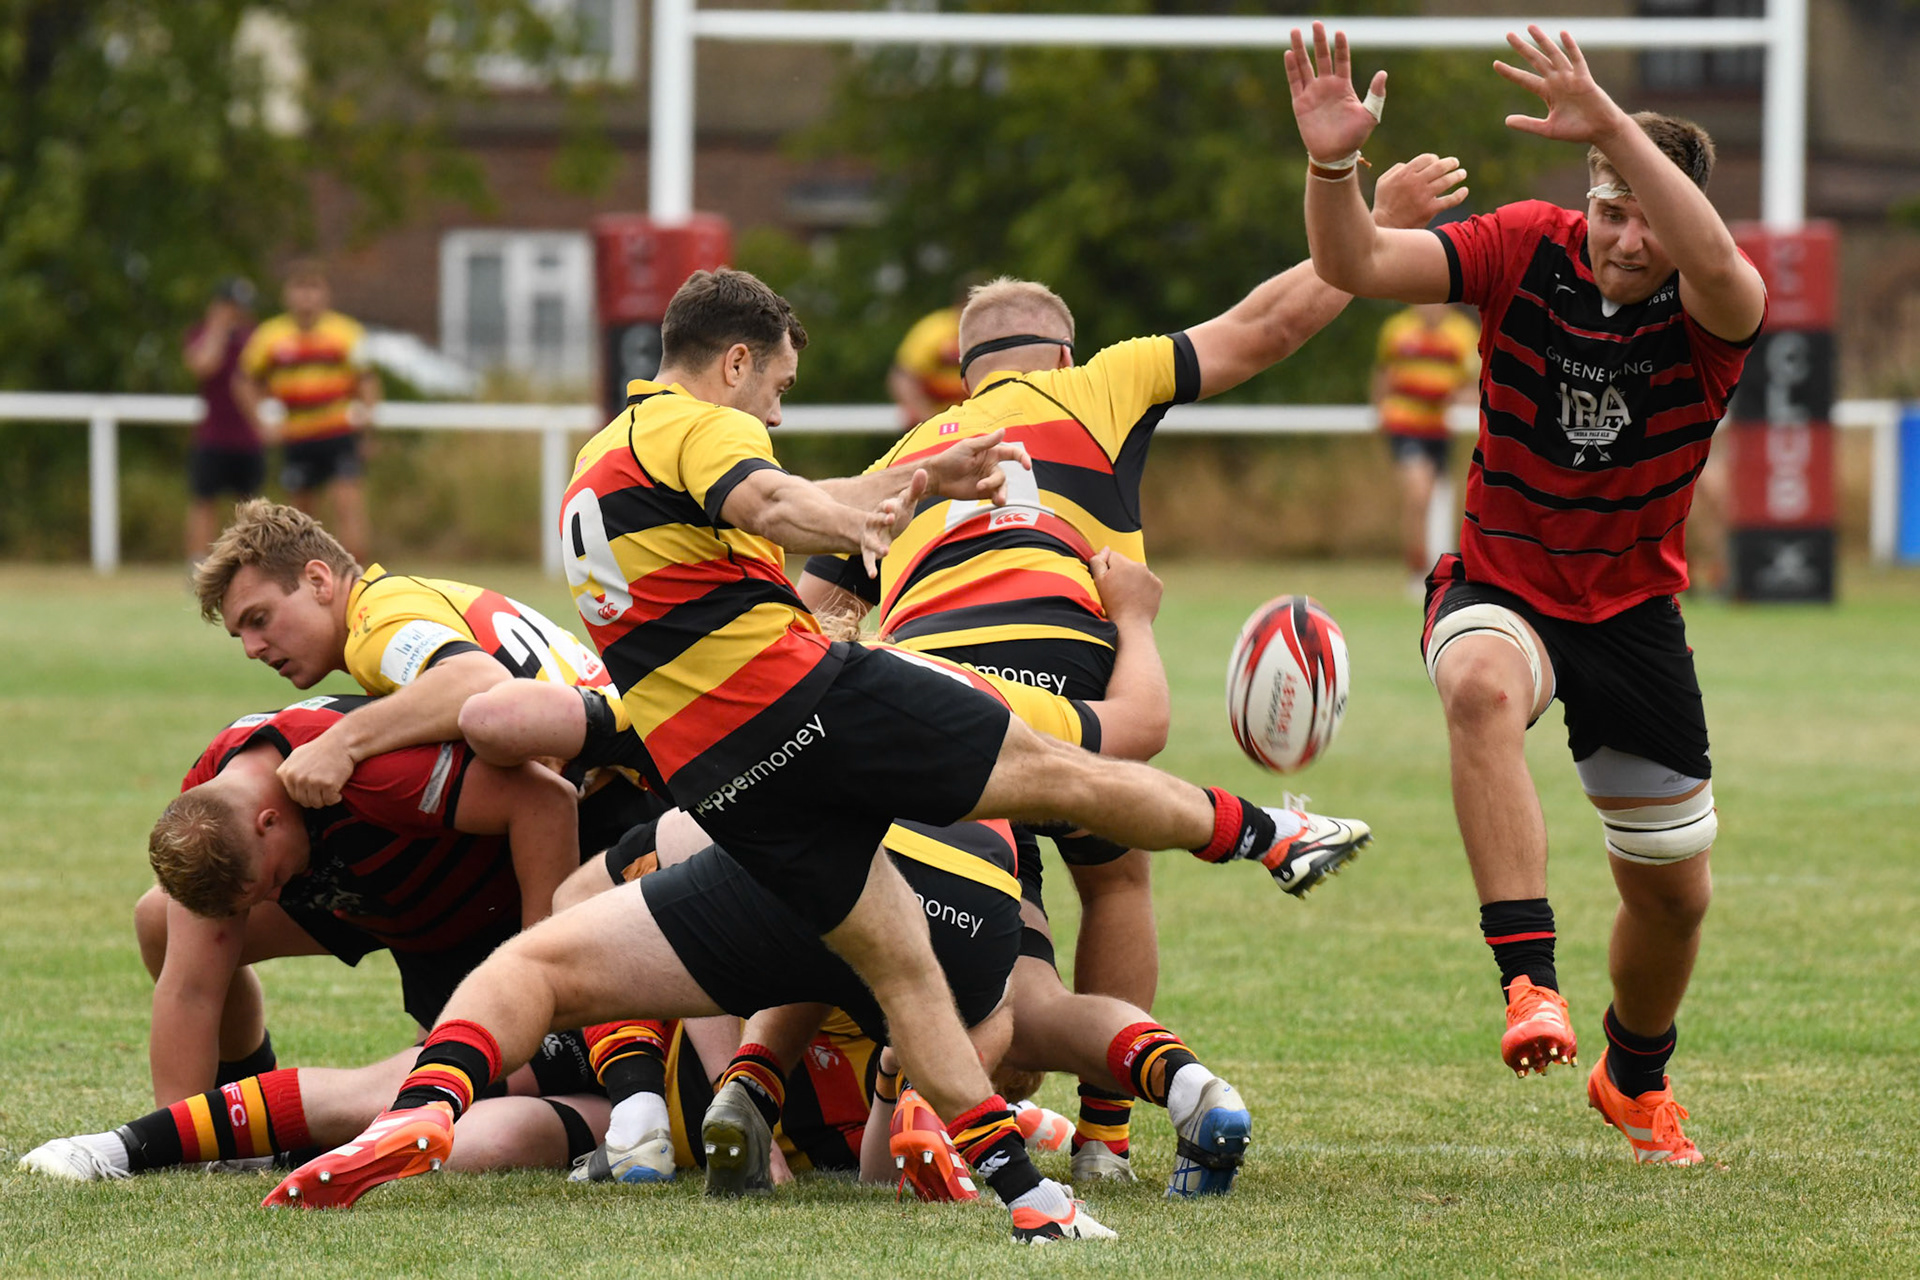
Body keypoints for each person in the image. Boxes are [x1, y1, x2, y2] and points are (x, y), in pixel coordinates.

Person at [262, 267, 1371, 1243]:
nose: (777, 407)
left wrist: (897, 497)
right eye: (779, 386)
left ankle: (422, 1112)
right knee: (1064, 774)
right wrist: (894, 496)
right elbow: (781, 500)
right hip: (819, 708)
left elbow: (766, 549)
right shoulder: (700, 425)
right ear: (736, 360)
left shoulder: (593, 470)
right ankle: (1273, 832)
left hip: (730, 782)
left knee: (580, 966)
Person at [798, 154, 1462, 1183]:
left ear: (963, 369)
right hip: (1077, 689)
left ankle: (888, 1093)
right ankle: (1106, 1134)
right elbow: (1269, 324)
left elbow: (817, 615)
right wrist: (1366, 230)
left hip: (934, 712)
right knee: (1116, 877)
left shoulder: (914, 452)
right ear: (1060, 349)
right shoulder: (1099, 382)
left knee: (979, 937)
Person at [1285, 23, 1765, 1164]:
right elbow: (1356, 266)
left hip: (1634, 610)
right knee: (1480, 689)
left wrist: (1608, 123)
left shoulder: (1714, 308)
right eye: (1608, 207)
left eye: (1646, 215)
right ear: (1582, 198)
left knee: (1673, 896)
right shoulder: (1524, 247)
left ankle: (1633, 1072)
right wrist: (1332, 169)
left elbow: (1714, 258)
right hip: (1501, 578)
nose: (1622, 237)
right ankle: (1528, 983)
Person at [136, 695, 580, 1107]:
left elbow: (545, 799)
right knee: (162, 919)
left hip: (474, 905)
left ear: (268, 822)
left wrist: (537, 968)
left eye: (269, 882)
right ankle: (242, 1089)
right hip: (371, 895)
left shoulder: (370, 775)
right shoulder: (210, 798)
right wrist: (175, 1135)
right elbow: (190, 989)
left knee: (447, 1097)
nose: (274, 898)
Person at [189, 499, 659, 850]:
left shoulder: (374, 627)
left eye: (259, 619)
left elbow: (478, 683)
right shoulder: (396, 598)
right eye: (240, 636)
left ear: (318, 580)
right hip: (646, 778)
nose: (252, 649)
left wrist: (340, 743)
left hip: (633, 802)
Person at [235, 261, 380, 560]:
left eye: (313, 287)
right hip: (297, 435)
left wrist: (367, 428)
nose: (307, 297)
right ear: (287, 294)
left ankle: (360, 577)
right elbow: (244, 381)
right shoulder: (270, 335)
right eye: (300, 288)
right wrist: (260, 423)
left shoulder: (346, 332)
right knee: (300, 516)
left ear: (325, 294)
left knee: (348, 506)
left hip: (338, 431)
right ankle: (306, 577)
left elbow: (367, 382)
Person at [1371, 302, 1480, 594]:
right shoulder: (1397, 330)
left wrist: (1462, 397)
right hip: (1405, 425)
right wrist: (1380, 411)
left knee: (1439, 497)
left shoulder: (1462, 334)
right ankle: (1416, 569)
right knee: (1418, 493)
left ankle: (1443, 568)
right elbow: (1383, 376)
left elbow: (1473, 382)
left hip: (1441, 430)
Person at [183, 278, 263, 564]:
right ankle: (197, 564)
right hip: (213, 437)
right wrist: (217, 329)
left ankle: (250, 563)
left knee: (250, 508)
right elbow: (203, 366)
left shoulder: (254, 340)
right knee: (204, 502)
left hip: (248, 437)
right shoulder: (200, 335)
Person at [888, 294, 967, 430]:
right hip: (933, 418)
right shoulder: (933, 331)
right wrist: (927, 418)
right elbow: (903, 378)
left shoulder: (995, 331)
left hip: (976, 421)